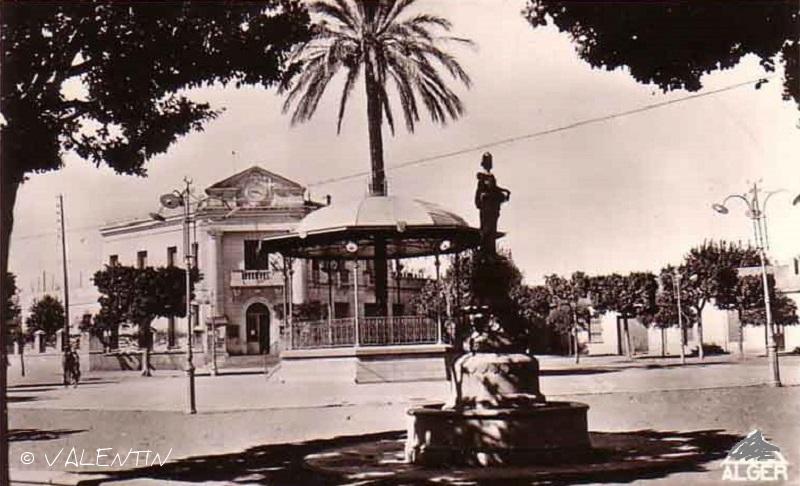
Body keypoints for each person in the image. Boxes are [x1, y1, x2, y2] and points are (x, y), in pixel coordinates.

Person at [474, 152, 510, 254]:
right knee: (487, 229)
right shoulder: (482, 177)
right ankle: (485, 252)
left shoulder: (491, 177)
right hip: (486, 207)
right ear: (484, 163)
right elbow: (480, 193)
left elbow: (494, 188)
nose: (489, 164)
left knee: (492, 230)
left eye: (490, 162)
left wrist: (505, 191)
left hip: (493, 207)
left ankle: (491, 252)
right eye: (487, 162)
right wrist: (482, 198)